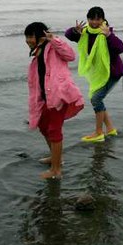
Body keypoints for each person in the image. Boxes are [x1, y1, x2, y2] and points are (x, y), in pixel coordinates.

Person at [25, 22, 84, 179]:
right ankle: (55, 157)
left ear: (40, 36)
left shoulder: (53, 46)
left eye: (31, 36)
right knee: (43, 126)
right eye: (27, 37)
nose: (28, 40)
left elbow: (70, 56)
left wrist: (54, 39)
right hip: (46, 97)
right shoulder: (37, 52)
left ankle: (56, 170)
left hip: (60, 96)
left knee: (54, 130)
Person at [65, 6, 123, 143]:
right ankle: (110, 129)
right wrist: (75, 30)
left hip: (112, 72)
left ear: (103, 19)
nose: (94, 22)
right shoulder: (85, 32)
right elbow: (69, 35)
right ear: (88, 19)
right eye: (92, 19)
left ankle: (98, 133)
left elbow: (120, 48)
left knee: (96, 99)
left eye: (98, 19)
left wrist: (109, 36)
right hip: (98, 73)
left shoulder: (106, 33)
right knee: (97, 99)